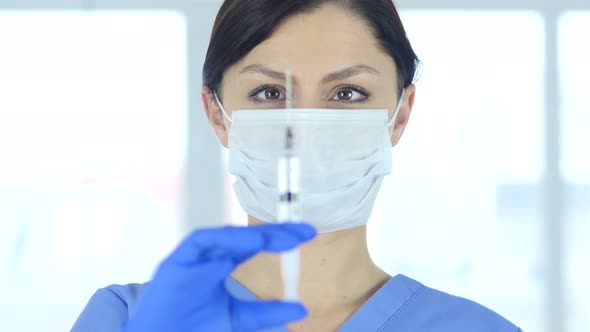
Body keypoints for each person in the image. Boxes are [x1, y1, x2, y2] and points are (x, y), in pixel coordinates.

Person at [72, 0, 522, 331]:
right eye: (269, 93)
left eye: (348, 93)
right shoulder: (126, 320)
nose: (304, 128)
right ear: (217, 115)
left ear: (399, 115)